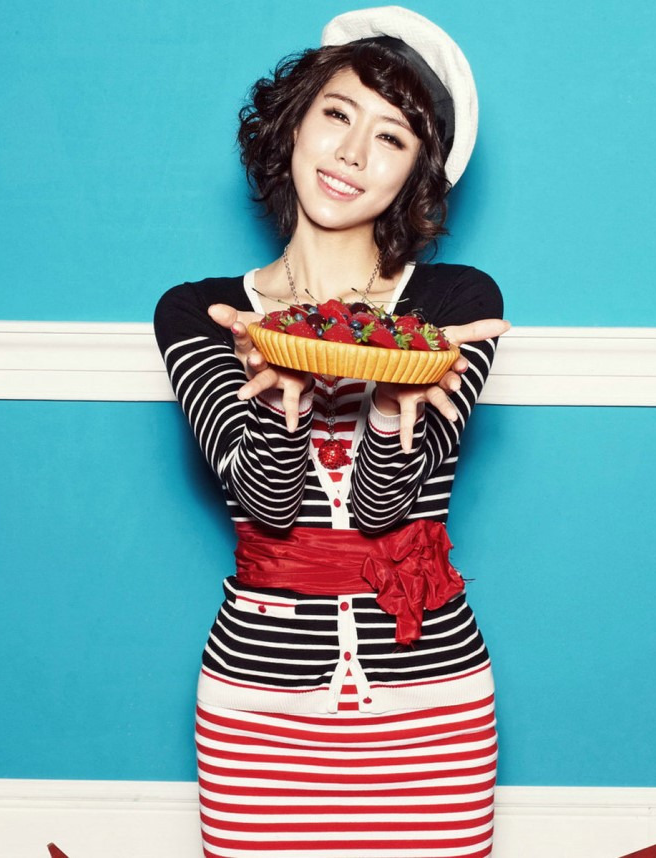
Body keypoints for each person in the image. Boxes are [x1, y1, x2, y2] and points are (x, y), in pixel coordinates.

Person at [154, 7, 509, 857]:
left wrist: (393, 395)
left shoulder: (454, 307)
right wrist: (281, 397)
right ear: (293, 125)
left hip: (432, 701)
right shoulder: (204, 314)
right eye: (337, 115)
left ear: (416, 174)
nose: (351, 153)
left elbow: (387, 510)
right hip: (258, 705)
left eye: (390, 138)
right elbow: (267, 505)